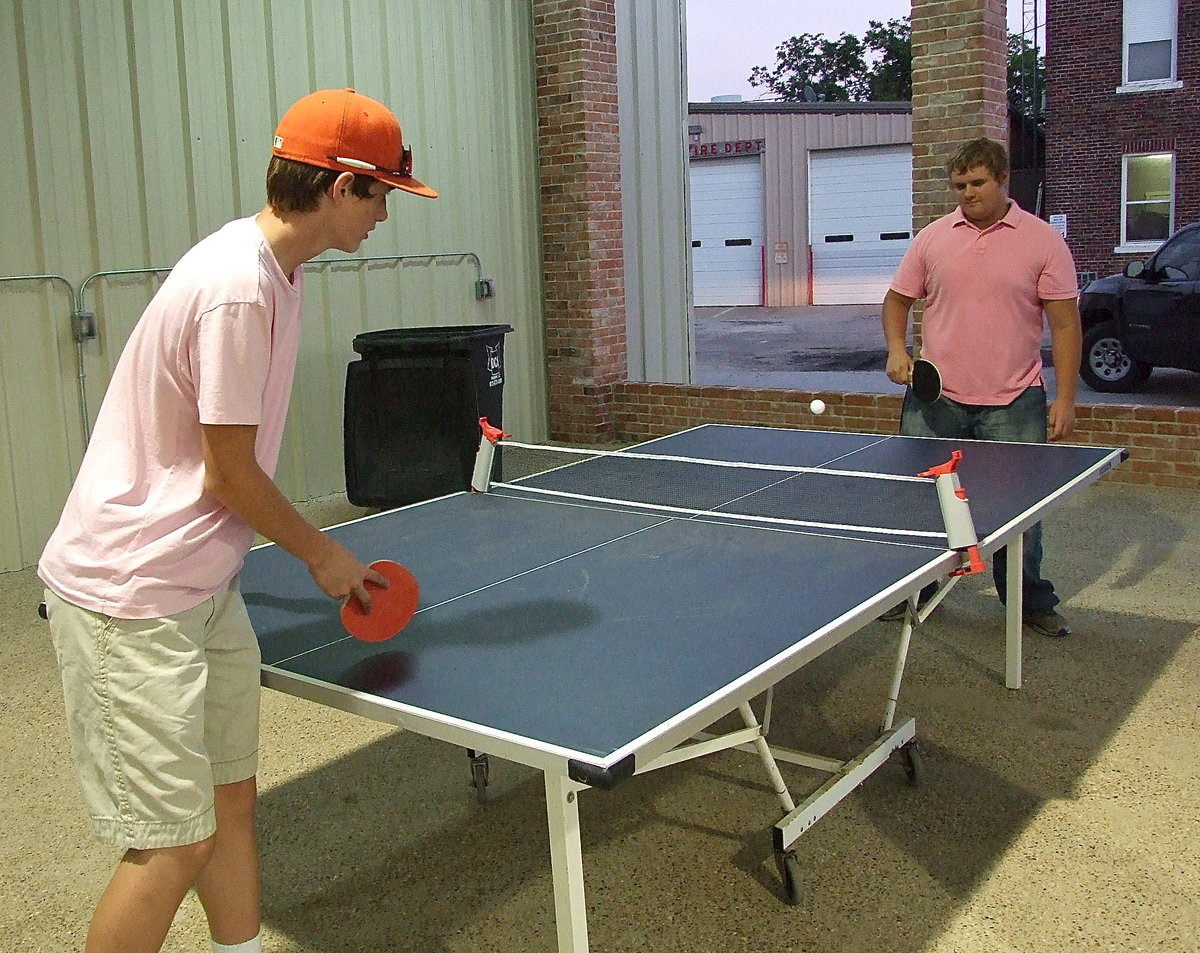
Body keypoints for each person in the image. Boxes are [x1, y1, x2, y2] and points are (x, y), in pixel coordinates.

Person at [38, 88, 437, 953]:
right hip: (132, 592)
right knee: (173, 842)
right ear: (340, 185)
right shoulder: (236, 290)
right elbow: (228, 473)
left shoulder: (279, 272)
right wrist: (322, 555)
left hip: (202, 581)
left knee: (229, 799)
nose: (385, 216)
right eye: (383, 196)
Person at [881, 136, 1082, 638]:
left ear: (1003, 179)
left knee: (1023, 513)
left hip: (1015, 401)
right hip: (935, 401)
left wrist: (1065, 397)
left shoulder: (1042, 241)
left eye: (976, 183)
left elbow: (1065, 326)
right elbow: (896, 301)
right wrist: (897, 350)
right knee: (922, 503)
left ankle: (1027, 600)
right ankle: (914, 589)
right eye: (958, 185)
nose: (966, 193)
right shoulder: (933, 238)